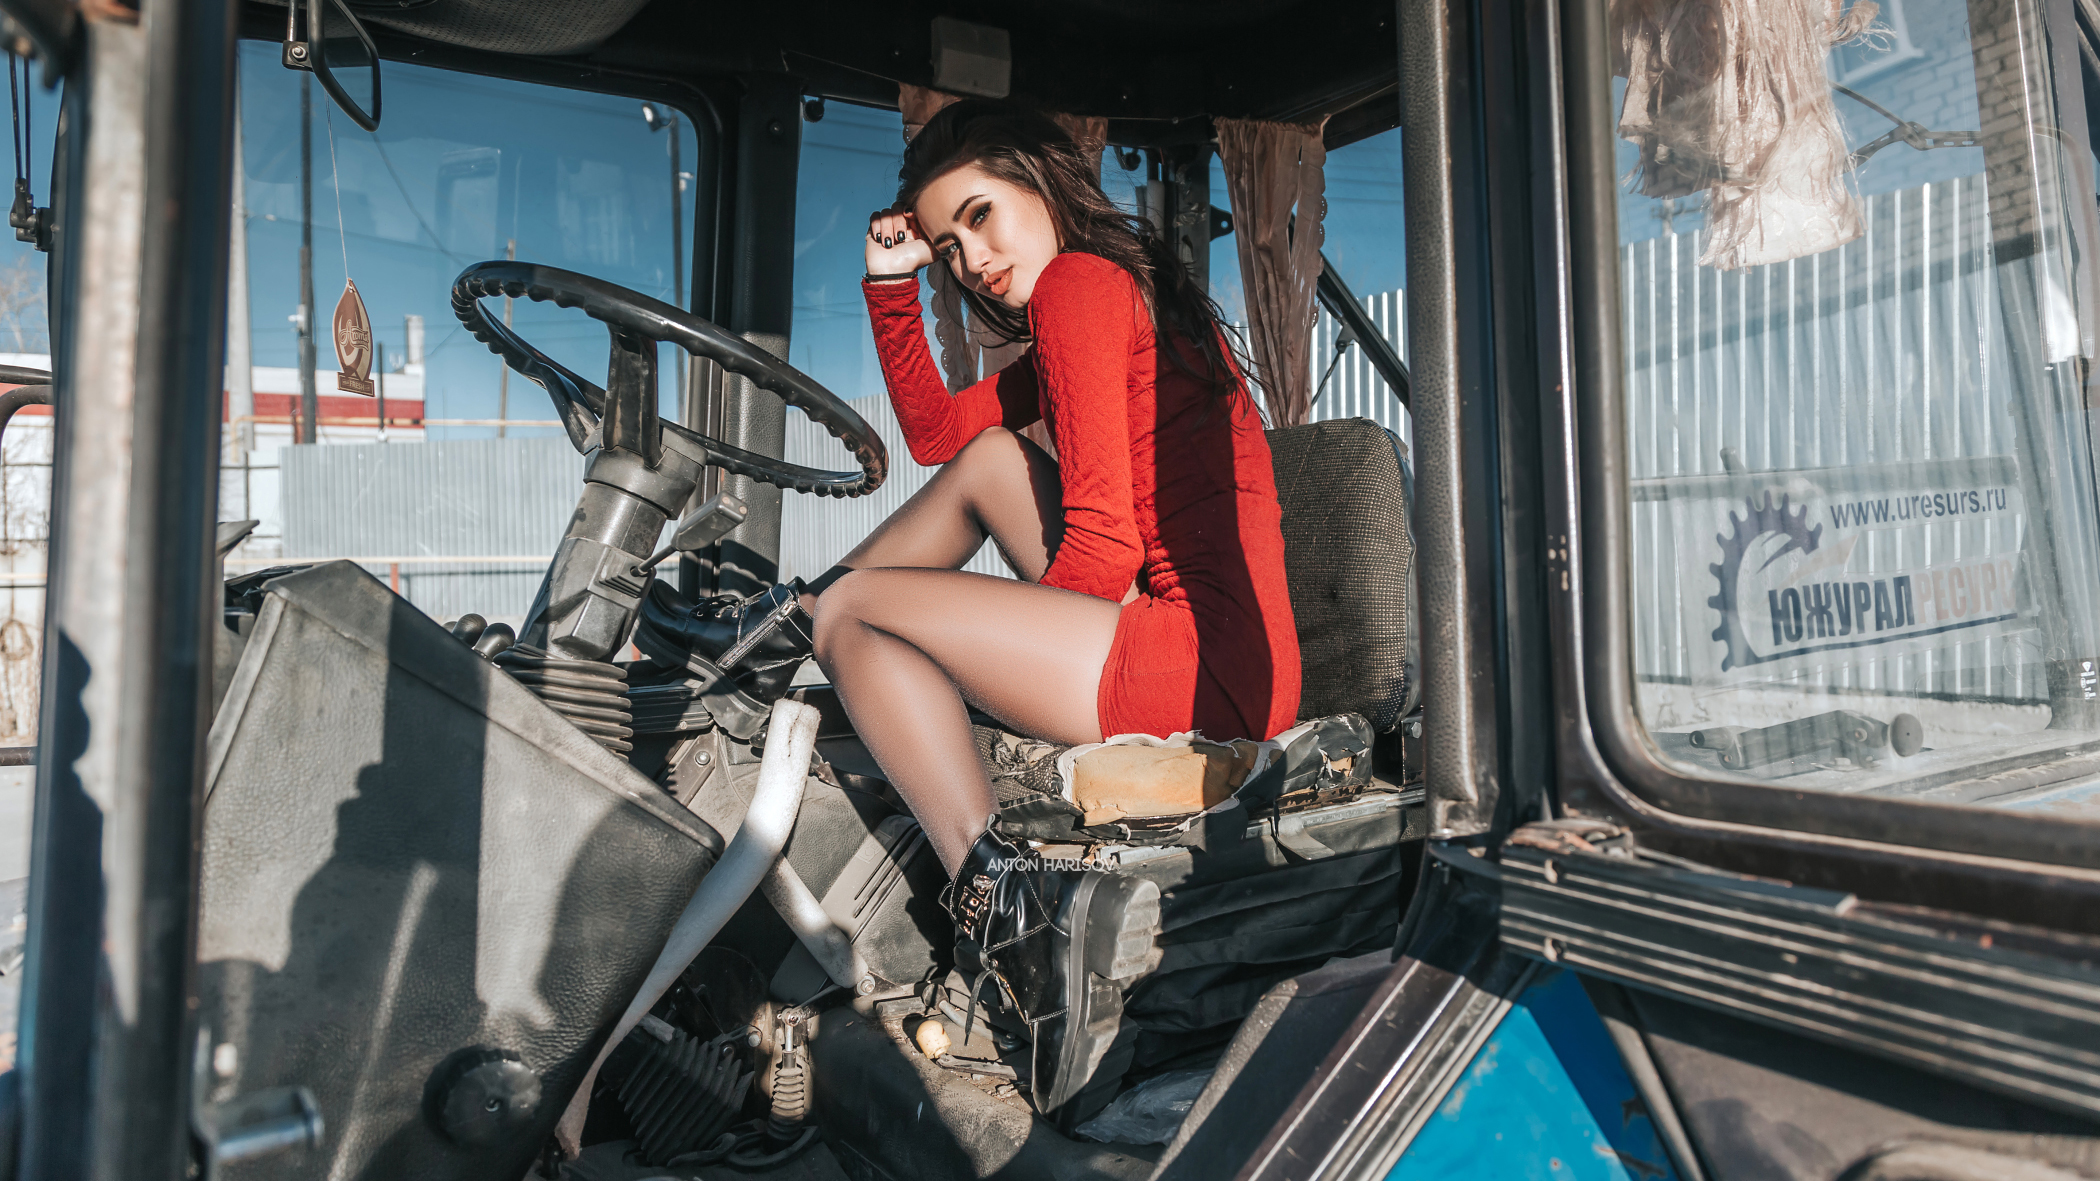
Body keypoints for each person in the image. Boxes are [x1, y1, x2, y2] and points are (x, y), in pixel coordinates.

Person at [636, 99, 1300, 1122]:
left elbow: (1105, 543)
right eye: (948, 247)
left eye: (983, 218)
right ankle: (781, 627)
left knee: (856, 614)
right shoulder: (1105, 292)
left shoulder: (1080, 284)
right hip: (1232, 656)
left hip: (1191, 664)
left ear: (1045, 185)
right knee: (992, 460)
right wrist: (890, 287)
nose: (972, 261)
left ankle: (1009, 916)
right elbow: (941, 437)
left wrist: (992, 661)